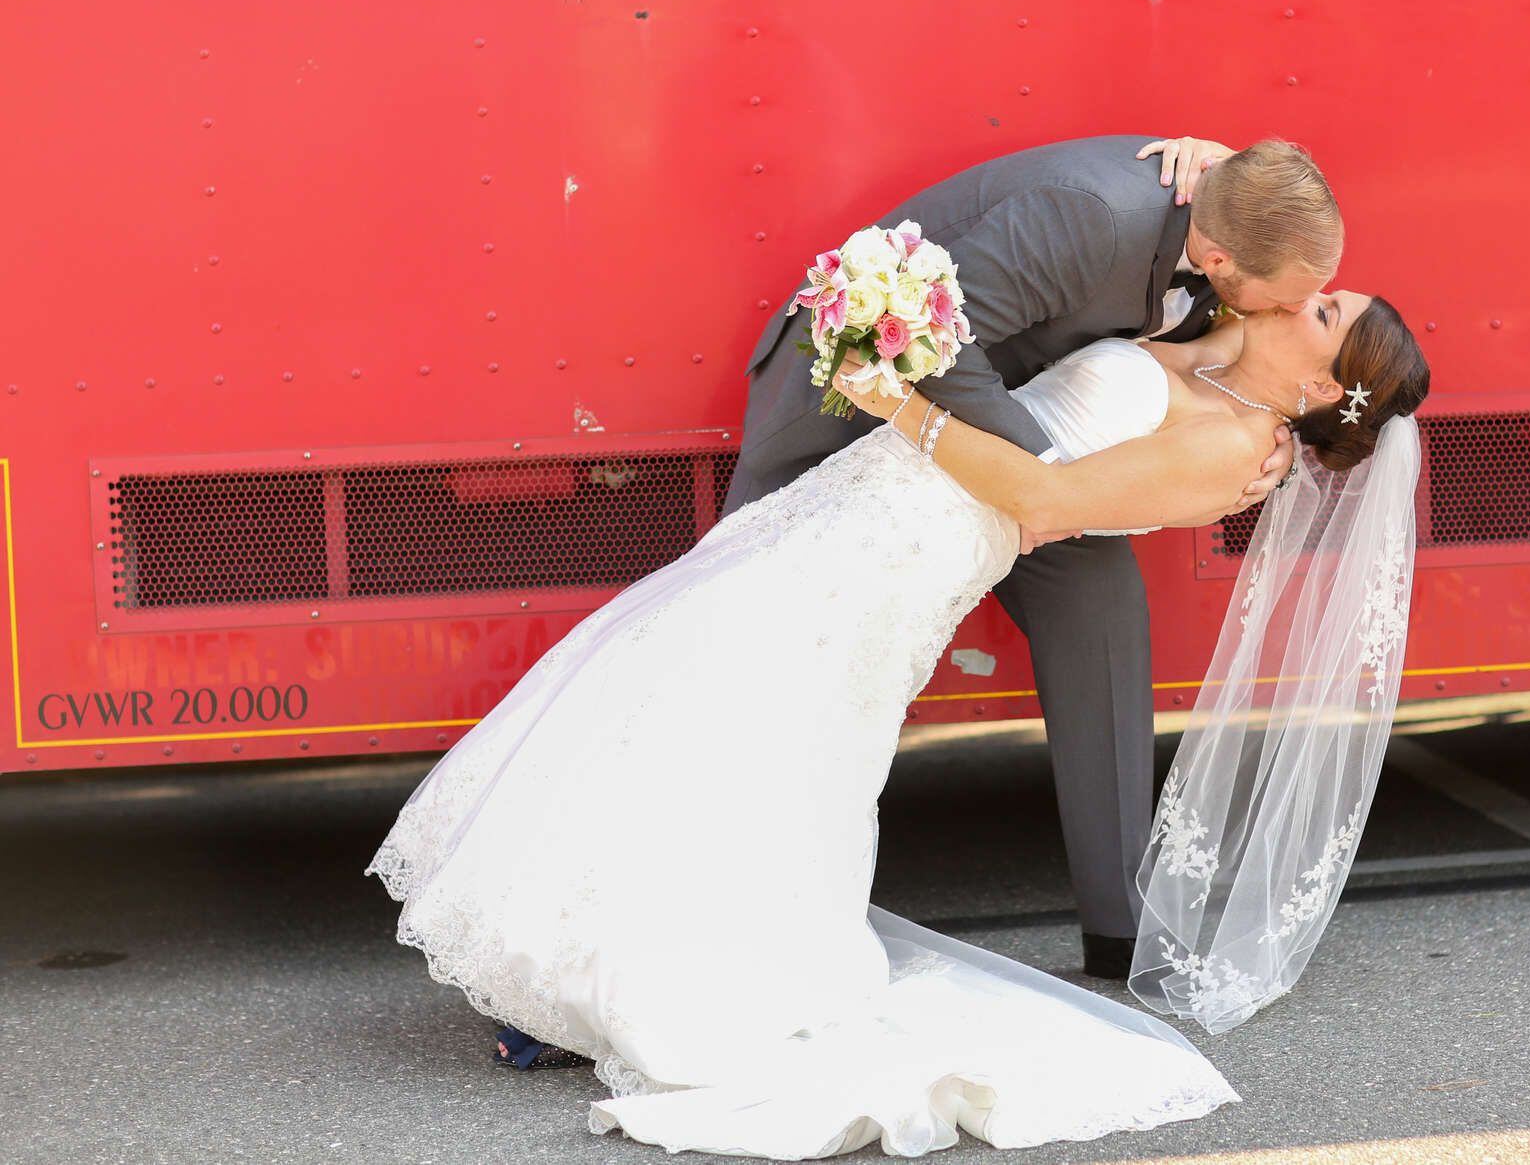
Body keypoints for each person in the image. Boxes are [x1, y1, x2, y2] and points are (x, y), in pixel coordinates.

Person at [367, 266, 1430, 1155]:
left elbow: (1046, 502)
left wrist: (902, 404)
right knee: (695, 696)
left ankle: (622, 981)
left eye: (1327, 313)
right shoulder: (1202, 335)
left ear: (1322, 384)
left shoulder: (1232, 444)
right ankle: (567, 968)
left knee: (739, 723)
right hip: (876, 493)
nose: (1306, 297)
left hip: (919, 543)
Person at [725, 135, 1342, 980]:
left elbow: (1236, 344)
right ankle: (704, 901)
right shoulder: (1093, 216)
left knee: (1103, 616)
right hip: (856, 397)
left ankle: (1124, 928)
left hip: (1018, 421)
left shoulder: (1223, 215)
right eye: (1289, 300)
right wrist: (1045, 482)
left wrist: (1269, 443)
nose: (1288, 312)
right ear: (1223, 256)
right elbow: (935, 343)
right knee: (747, 648)